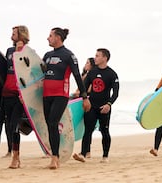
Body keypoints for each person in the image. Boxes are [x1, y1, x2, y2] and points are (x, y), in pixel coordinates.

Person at [43, 27, 91, 169]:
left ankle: (55, 158)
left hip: (60, 95)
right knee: (50, 126)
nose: (48, 38)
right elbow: (38, 76)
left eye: (50, 35)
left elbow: (77, 76)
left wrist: (84, 97)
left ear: (58, 37)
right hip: (46, 95)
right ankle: (55, 156)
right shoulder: (47, 55)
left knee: (53, 123)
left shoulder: (69, 55)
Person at [73, 48, 119, 163]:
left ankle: (105, 156)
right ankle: (83, 154)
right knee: (88, 130)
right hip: (91, 106)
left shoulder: (112, 74)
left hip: (104, 107)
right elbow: (83, 87)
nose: (95, 58)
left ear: (105, 58)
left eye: (98, 56)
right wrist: (84, 99)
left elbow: (116, 93)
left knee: (104, 131)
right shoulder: (92, 73)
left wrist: (109, 104)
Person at [2, 25, 29, 168]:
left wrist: (25, 94)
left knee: (14, 125)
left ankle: (16, 157)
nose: (11, 36)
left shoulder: (29, 52)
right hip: (7, 92)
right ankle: (15, 156)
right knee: (9, 126)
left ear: (21, 35)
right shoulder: (9, 51)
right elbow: (4, 71)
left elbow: (31, 74)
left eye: (14, 34)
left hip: (20, 95)